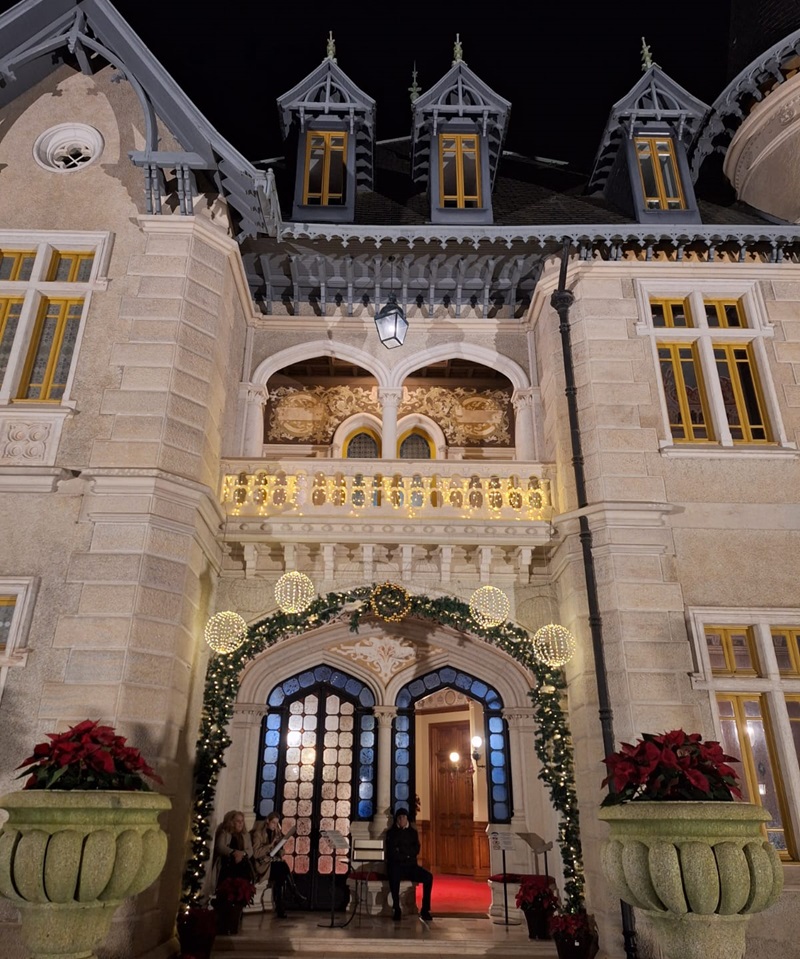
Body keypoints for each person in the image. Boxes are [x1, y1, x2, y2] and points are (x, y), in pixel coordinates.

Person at [384, 807, 433, 921]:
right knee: (393, 878)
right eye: (400, 817)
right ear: (397, 819)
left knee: (428, 877)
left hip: (411, 866)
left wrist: (402, 851)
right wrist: (406, 854)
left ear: (407, 819)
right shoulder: (391, 833)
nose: (401, 820)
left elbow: (416, 850)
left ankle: (425, 910)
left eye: (404, 817)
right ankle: (397, 909)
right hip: (396, 866)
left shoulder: (413, 832)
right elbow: (392, 852)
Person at [251, 811, 292, 918]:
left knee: (281, 873)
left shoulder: (275, 833)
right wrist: (270, 845)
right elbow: (256, 854)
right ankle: (293, 894)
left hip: (272, 863)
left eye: (276, 823)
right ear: (267, 821)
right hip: (262, 864)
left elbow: (278, 852)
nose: (274, 825)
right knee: (282, 869)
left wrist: (280, 848)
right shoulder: (258, 834)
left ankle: (281, 906)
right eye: (273, 823)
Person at [212, 809, 254, 887]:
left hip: (242, 862)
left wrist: (242, 853)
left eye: (242, 821)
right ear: (232, 822)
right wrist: (233, 852)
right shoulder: (225, 833)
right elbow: (220, 846)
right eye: (238, 821)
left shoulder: (246, 835)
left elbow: (250, 850)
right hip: (228, 862)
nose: (241, 823)